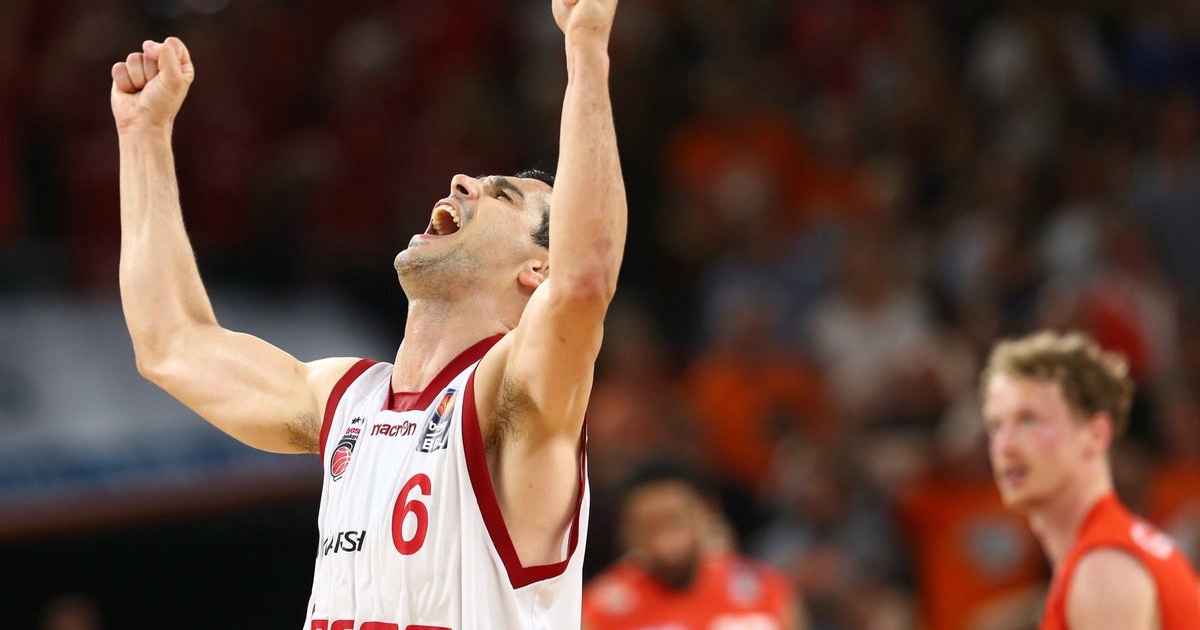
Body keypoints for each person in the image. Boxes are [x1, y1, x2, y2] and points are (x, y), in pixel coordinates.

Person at [108, 0, 626, 626]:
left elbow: (584, 281)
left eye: (503, 195)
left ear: (538, 271)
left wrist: (586, 47)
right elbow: (171, 345)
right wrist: (143, 135)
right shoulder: (348, 400)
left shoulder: (512, 397)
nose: (462, 181)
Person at [980, 330, 1200, 630]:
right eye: (995, 425)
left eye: (1029, 419)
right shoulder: (1119, 549)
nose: (1005, 445)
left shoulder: (1104, 570)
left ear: (1095, 435)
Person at [582, 459, 805, 630]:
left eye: (674, 519)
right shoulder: (598, 610)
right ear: (626, 532)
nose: (663, 540)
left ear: (707, 512)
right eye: (647, 526)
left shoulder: (769, 590)